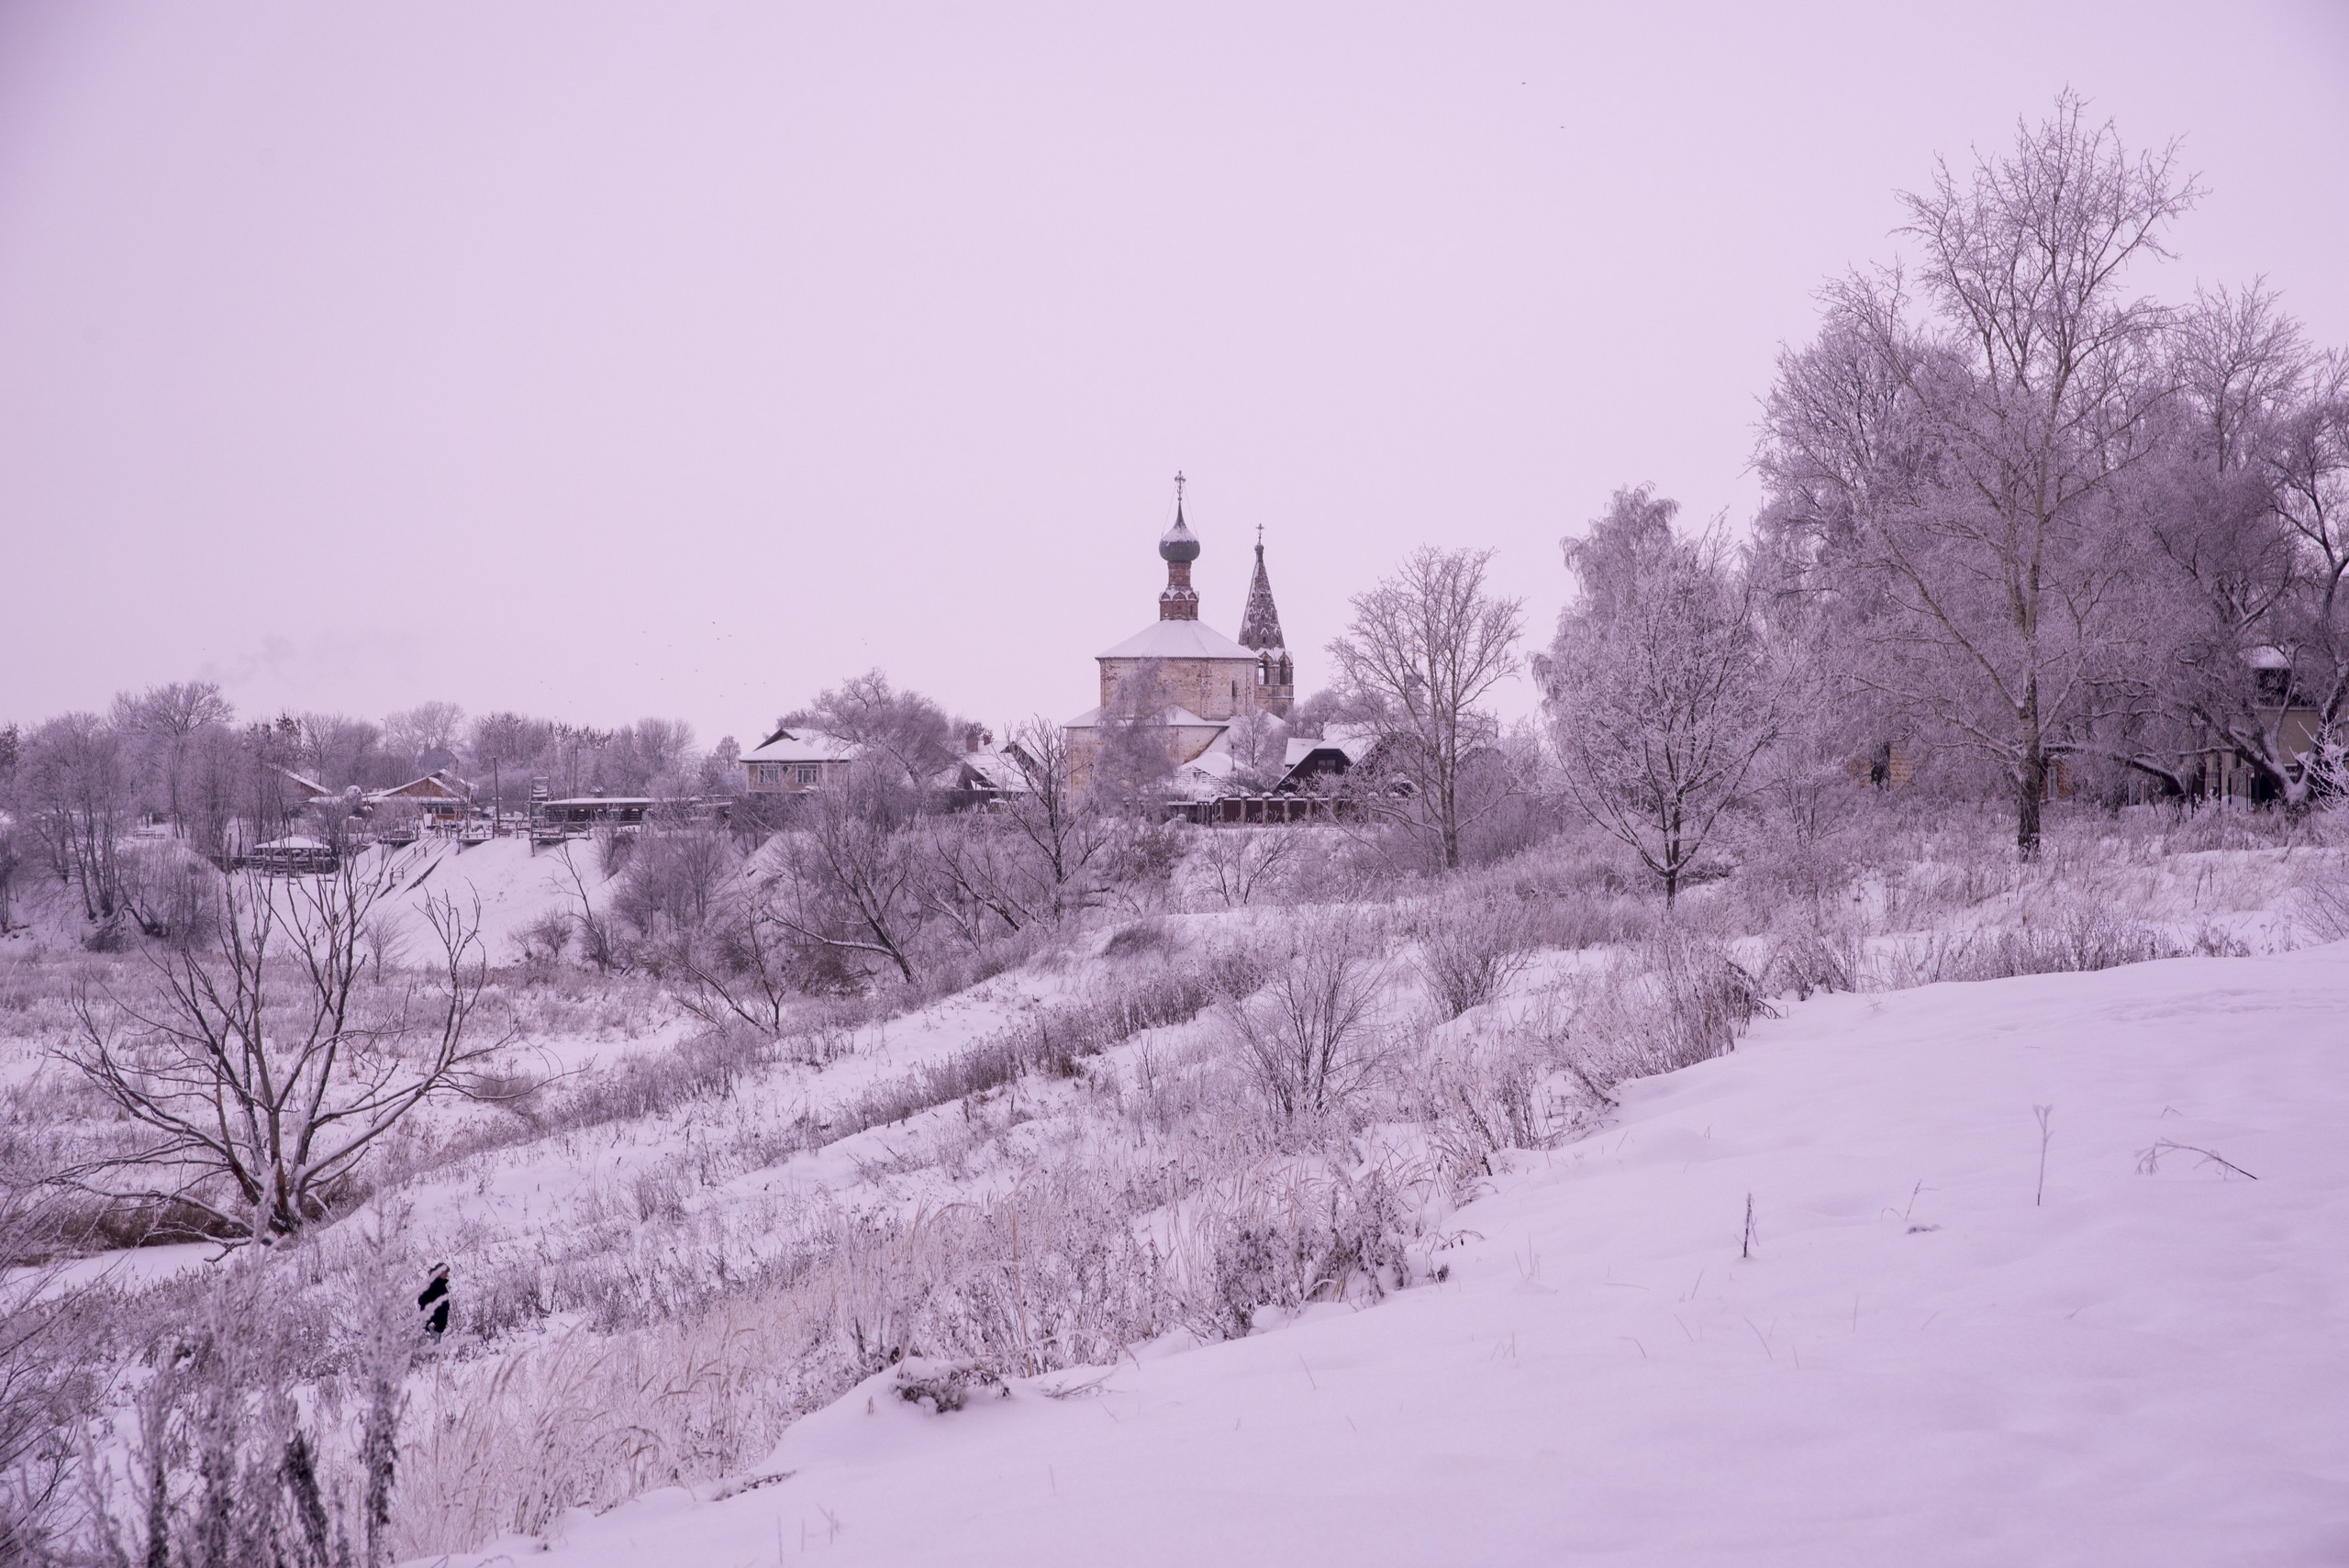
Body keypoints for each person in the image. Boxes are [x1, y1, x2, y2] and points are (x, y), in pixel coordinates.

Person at [417, 1262, 451, 1339]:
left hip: (439, 1326)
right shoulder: (431, 1284)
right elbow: (422, 1301)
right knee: (432, 1346)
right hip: (432, 1326)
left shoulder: (441, 1285)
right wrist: (431, 1321)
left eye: (447, 1272)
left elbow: (443, 1306)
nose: (446, 1275)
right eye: (445, 1272)